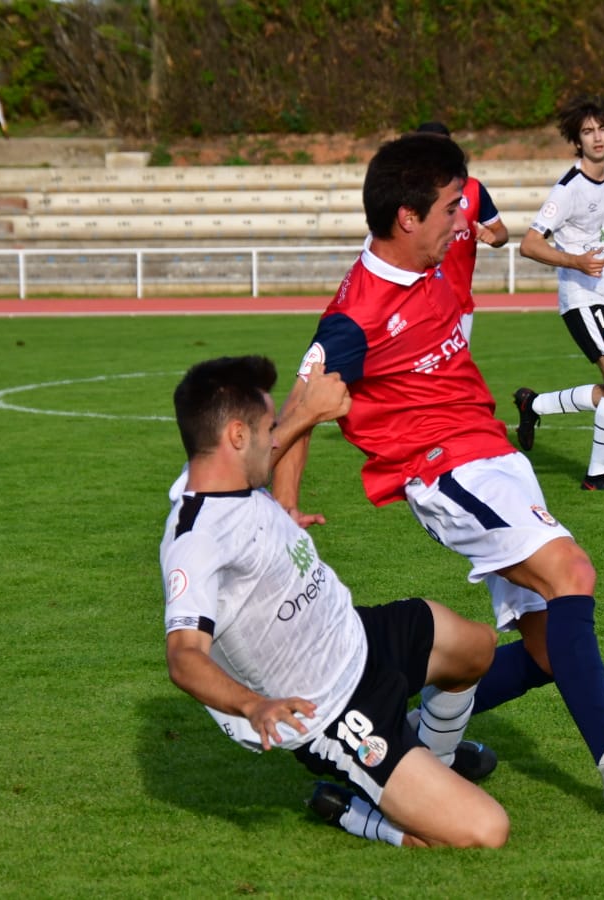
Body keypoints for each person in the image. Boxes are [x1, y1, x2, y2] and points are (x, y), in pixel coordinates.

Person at [271, 132, 604, 811]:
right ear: (408, 217)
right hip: (443, 468)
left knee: (547, 652)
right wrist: (284, 509)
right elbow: (302, 409)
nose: (467, 221)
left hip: (492, 455)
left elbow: (481, 209)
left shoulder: (443, 238)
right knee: (571, 573)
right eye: (452, 208)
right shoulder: (355, 317)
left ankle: (409, 750)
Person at [161, 354, 509, 848]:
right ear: (237, 437)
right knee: (485, 832)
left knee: (478, 646)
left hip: (355, 636)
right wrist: (253, 705)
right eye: (266, 428)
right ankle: (355, 813)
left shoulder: (226, 480)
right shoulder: (195, 539)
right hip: (332, 709)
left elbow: (267, 463)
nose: (273, 438)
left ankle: (437, 760)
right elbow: (183, 657)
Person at [513, 95, 604, 491]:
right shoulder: (568, 189)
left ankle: (533, 405)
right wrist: (575, 261)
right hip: (582, 297)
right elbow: (530, 244)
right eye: (588, 131)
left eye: (602, 129)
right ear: (577, 140)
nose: (597, 137)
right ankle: (597, 476)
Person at [413, 121, 509, 342]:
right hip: (415, 302)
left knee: (455, 372)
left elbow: (501, 232)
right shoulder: (406, 192)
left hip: (459, 301)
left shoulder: (473, 189)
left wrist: (494, 237)